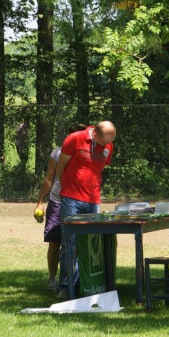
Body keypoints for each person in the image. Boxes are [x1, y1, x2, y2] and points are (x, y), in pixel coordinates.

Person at [55, 120, 116, 298]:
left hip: (93, 200)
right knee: (69, 243)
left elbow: (97, 169)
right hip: (71, 199)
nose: (108, 144)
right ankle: (65, 287)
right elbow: (60, 165)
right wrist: (66, 189)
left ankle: (84, 284)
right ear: (95, 134)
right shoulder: (75, 139)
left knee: (88, 244)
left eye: (111, 141)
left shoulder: (108, 145)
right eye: (106, 141)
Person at [33, 123, 87, 292]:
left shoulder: (89, 154)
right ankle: (52, 279)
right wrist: (40, 202)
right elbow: (49, 178)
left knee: (77, 243)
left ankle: (76, 279)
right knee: (54, 241)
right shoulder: (58, 153)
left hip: (79, 201)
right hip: (57, 201)